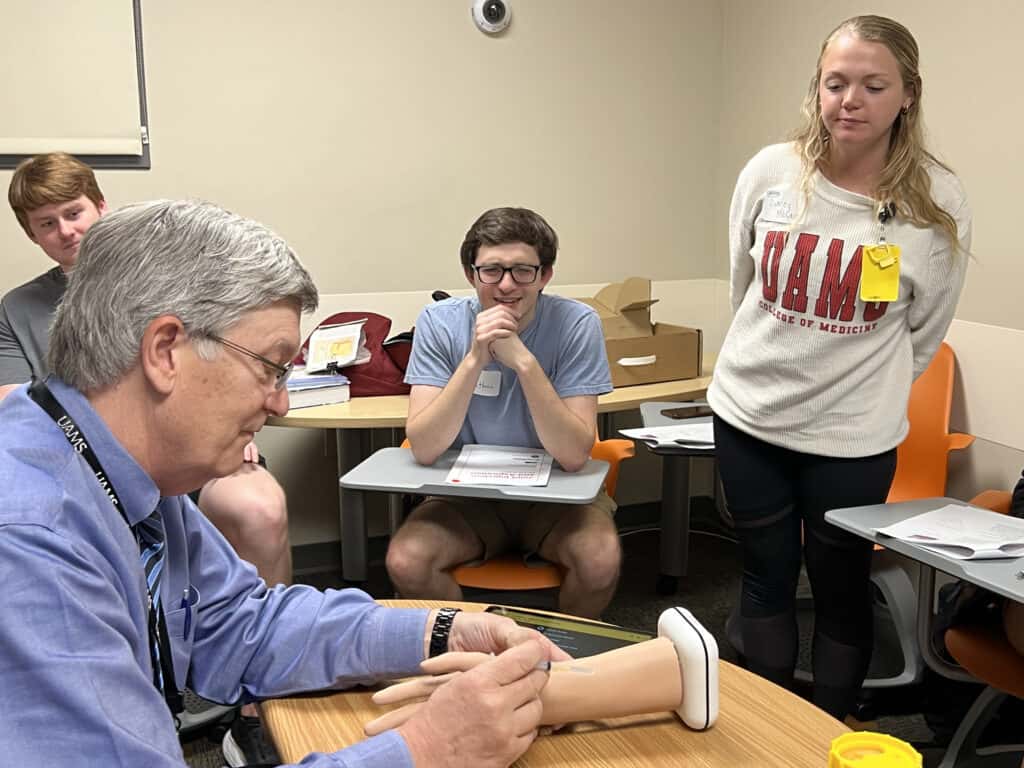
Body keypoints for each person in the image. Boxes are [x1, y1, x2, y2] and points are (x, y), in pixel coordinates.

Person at [0, 198, 564, 768]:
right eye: (271, 367)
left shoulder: (115, 466)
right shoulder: (31, 540)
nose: (281, 402)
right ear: (165, 351)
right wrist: (425, 751)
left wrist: (439, 632)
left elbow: (239, 623)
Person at [706, 15, 971, 721]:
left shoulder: (937, 204)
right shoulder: (771, 171)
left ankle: (826, 734)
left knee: (841, 586)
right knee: (764, 581)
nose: (850, 100)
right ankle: (767, 731)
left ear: (907, 94)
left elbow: (925, 329)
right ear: (817, 89)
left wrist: (857, 385)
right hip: (750, 418)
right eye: (836, 83)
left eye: (873, 85)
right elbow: (743, 288)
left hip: (853, 438)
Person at [385, 207, 619, 618]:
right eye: (491, 270)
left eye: (522, 271)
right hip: (465, 500)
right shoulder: (439, 324)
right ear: (471, 273)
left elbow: (574, 454)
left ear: (545, 275)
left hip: (557, 497)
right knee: (406, 560)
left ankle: (563, 666)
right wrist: (476, 357)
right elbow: (423, 447)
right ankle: (467, 660)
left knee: (600, 559)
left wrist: (524, 363)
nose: (506, 285)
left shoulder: (578, 323)